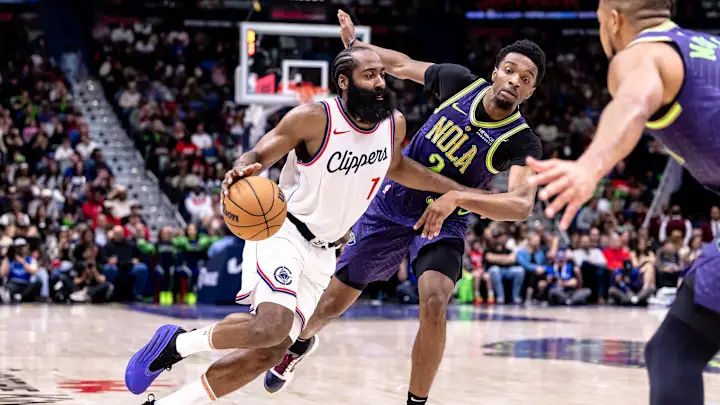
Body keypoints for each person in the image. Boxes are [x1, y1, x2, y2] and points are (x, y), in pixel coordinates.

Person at [125, 46, 471, 405]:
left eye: (382, 74)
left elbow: (396, 167)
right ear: (344, 81)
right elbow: (259, 154)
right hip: (285, 231)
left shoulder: (393, 123)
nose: (381, 82)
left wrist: (459, 192)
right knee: (271, 325)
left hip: (325, 252)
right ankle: (177, 344)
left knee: (271, 352)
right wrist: (243, 168)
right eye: (370, 75)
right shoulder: (313, 119)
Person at [264, 10, 544, 405]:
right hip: (391, 203)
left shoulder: (522, 141)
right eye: (510, 71)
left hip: (443, 221)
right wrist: (356, 47)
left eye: (526, 79)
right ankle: (300, 344)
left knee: (435, 299)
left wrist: (458, 198)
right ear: (496, 71)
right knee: (330, 304)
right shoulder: (459, 82)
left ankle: (416, 401)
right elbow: (399, 64)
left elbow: (520, 205)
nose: (515, 81)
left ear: (530, 92)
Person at [525, 1, 720, 404]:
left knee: (673, 352)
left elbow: (634, 101)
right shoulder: (709, 46)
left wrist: (589, 167)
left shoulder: (643, 54)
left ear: (612, 21)